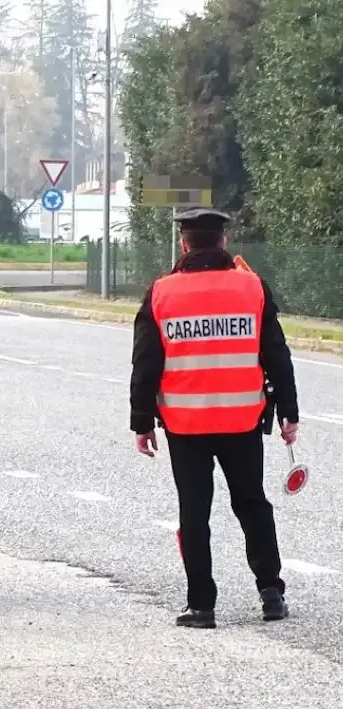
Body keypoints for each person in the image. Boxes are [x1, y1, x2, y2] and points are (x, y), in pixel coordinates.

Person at [130, 207, 299, 629]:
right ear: (223, 242)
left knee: (194, 511)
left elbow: (145, 363)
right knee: (252, 504)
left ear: (185, 244)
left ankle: (201, 606)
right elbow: (276, 355)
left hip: (186, 425)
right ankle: (271, 593)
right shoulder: (252, 287)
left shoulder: (161, 293)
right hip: (242, 419)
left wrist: (141, 421)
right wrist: (289, 414)